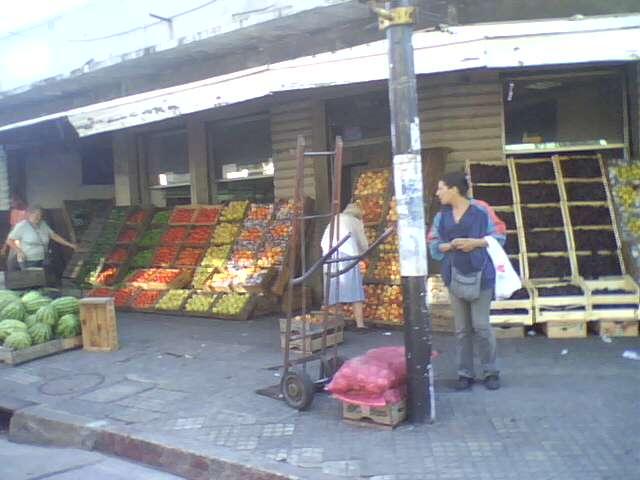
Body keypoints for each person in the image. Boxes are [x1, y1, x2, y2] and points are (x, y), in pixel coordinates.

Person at [428, 172, 505, 391]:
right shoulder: (441, 216)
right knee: (462, 329)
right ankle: (465, 373)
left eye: (441, 188)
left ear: (454, 189)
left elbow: (500, 235)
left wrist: (475, 242)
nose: (438, 193)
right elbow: (434, 243)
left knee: (481, 326)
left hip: (482, 275)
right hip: (453, 276)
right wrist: (449, 245)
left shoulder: (481, 209)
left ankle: (491, 371)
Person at [321, 203, 369, 329]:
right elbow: (362, 242)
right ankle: (360, 325)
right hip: (347, 254)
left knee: (334, 289)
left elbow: (323, 240)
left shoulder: (335, 219)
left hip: (329, 255)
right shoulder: (355, 221)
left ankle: (339, 323)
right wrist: (365, 254)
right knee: (354, 289)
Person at [6, 205, 77, 269]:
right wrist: (19, 251)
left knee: (42, 280)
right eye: (36, 214)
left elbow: (54, 236)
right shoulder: (22, 225)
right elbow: (9, 240)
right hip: (28, 261)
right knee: (32, 281)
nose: (39, 217)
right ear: (30, 214)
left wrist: (70, 244)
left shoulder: (43, 224)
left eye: (40, 215)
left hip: (44, 259)